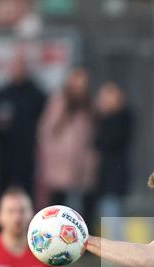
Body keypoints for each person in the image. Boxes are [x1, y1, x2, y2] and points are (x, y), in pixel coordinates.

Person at [0, 50, 47, 203]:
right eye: (15, 66)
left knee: (26, 194)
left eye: (21, 66)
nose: (18, 70)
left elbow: (47, 121)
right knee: (3, 195)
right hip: (5, 152)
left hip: (27, 152)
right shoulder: (2, 93)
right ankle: (1, 226)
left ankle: (28, 225)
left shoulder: (37, 94)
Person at [38, 67, 96, 219]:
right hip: (60, 164)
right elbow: (48, 131)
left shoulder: (88, 106)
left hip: (82, 165)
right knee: (57, 206)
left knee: (84, 206)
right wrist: (54, 155)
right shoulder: (59, 103)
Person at [93, 81, 134, 233]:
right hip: (104, 178)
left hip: (113, 177)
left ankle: (115, 251)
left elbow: (106, 141)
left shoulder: (120, 118)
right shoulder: (102, 119)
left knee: (112, 214)